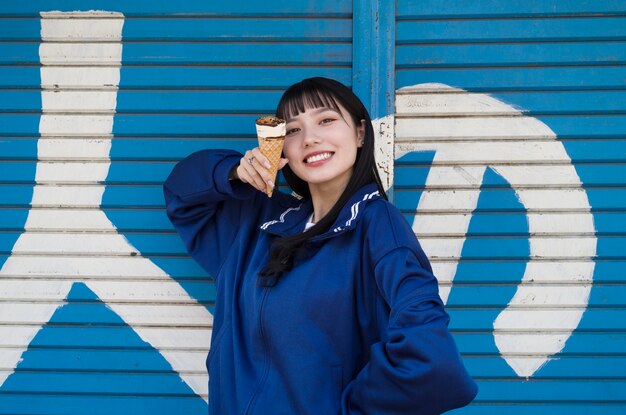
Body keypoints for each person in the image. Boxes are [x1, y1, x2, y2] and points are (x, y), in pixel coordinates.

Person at [163, 77, 478, 414]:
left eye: (326, 120)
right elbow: (182, 193)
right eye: (294, 130)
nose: (310, 139)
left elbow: (432, 360)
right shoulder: (259, 222)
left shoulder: (377, 226)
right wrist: (235, 172)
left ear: (359, 133)